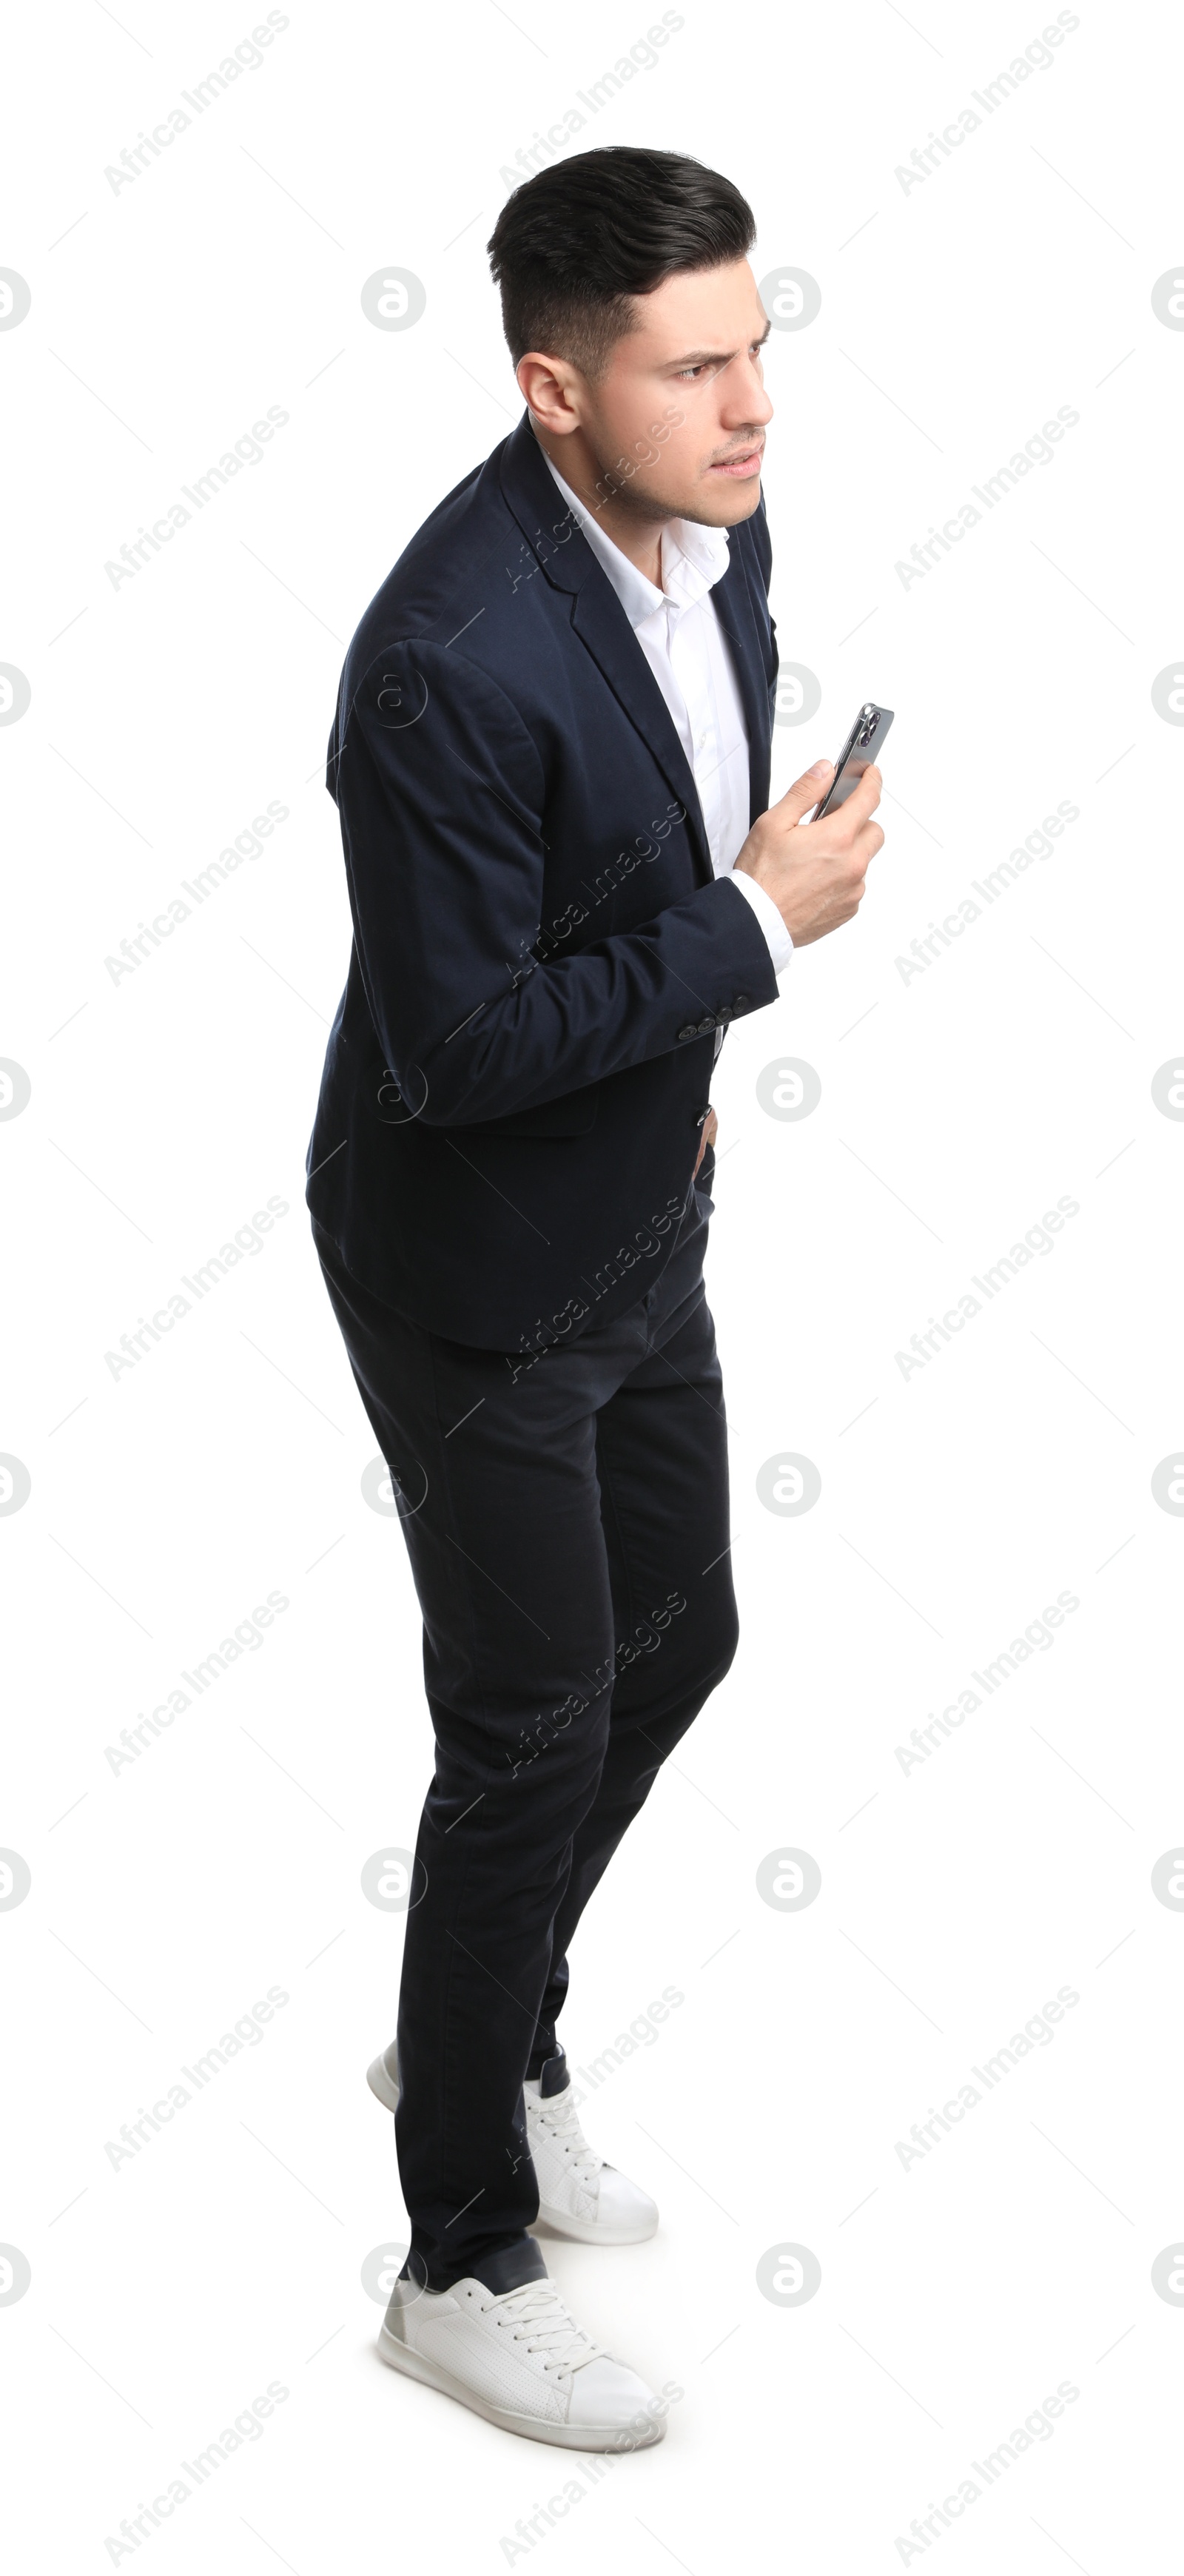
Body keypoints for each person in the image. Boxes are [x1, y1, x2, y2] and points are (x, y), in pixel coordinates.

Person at [306, 143, 883, 2449]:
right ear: (556, 387)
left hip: (646, 1205)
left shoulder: (712, 539)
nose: (754, 409)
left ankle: (485, 2020)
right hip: (471, 1269)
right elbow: (449, 1054)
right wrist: (751, 940)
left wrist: (697, 1046)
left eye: (761, 350)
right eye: (693, 371)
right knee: (529, 1727)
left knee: (688, 1631)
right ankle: (454, 2248)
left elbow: (654, 851)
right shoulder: (445, 662)